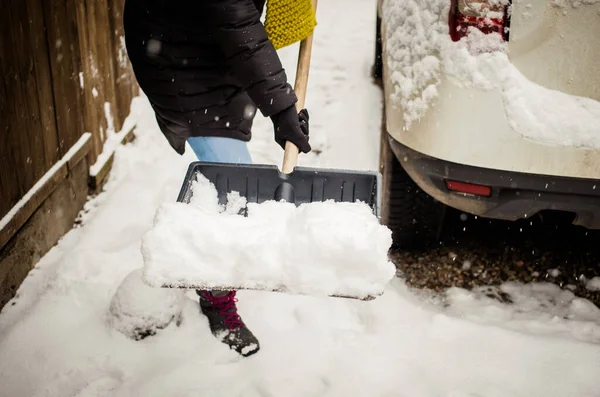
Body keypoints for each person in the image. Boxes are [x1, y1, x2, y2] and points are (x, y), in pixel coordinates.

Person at [123, 0, 314, 357]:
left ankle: (216, 276)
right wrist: (282, 107)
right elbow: (237, 21)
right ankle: (216, 300)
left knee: (232, 169)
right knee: (231, 186)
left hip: (212, 42)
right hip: (177, 55)